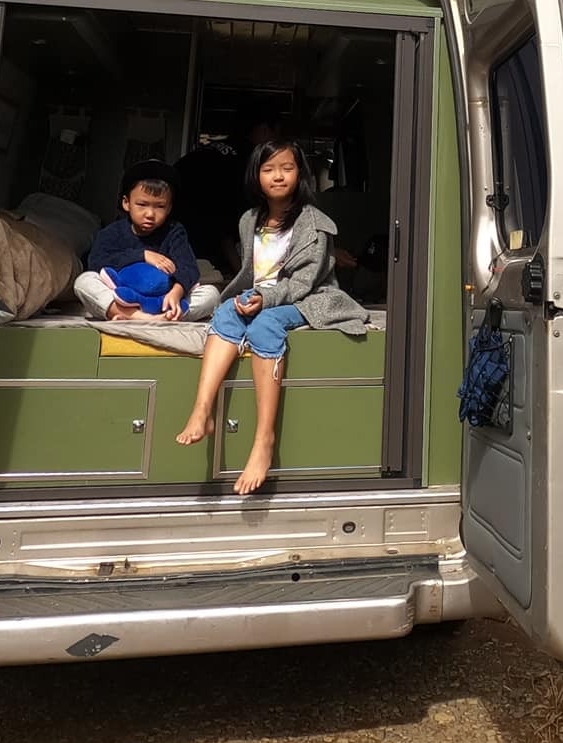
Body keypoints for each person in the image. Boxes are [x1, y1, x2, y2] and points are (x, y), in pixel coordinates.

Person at [175, 139, 371, 494]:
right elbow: (250, 272)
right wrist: (246, 297)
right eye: (269, 169)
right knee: (224, 314)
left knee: (266, 324)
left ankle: (264, 440)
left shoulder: (316, 223)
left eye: (287, 168)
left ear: (300, 174)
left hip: (307, 298)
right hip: (261, 296)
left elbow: (304, 282)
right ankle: (203, 410)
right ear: (256, 175)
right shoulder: (249, 220)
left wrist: (264, 300)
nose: (278, 176)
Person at [72, 161, 216, 324]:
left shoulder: (174, 231)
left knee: (211, 294)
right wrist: (142, 255)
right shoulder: (112, 233)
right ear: (126, 203)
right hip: (123, 297)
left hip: (164, 300)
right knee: (84, 281)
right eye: (142, 204)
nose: (150, 214)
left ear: (169, 208)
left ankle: (166, 315)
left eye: (160, 206)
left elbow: (189, 267)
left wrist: (176, 292)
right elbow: (97, 262)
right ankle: (138, 316)